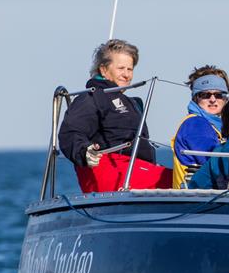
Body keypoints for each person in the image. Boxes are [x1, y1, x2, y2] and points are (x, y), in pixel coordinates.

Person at [58, 39, 172, 192]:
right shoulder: (91, 98)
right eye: (121, 68)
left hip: (137, 171)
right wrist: (85, 151)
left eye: (130, 69)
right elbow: (71, 132)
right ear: (104, 70)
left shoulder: (131, 102)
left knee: (187, 178)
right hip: (113, 176)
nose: (126, 75)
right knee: (185, 183)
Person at [171, 65, 229, 188]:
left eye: (219, 95)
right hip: (194, 198)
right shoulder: (196, 124)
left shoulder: (215, 126)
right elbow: (215, 164)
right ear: (196, 97)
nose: (213, 99)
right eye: (205, 95)